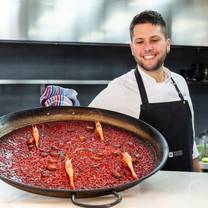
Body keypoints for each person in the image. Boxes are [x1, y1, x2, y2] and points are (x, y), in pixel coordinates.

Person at [89, 10, 201, 172]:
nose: (147, 48)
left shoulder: (180, 83)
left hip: (184, 189)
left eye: (154, 40)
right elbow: (86, 126)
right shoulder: (119, 88)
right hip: (144, 192)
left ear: (167, 44)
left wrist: (199, 185)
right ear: (132, 48)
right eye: (140, 41)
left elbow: (191, 148)